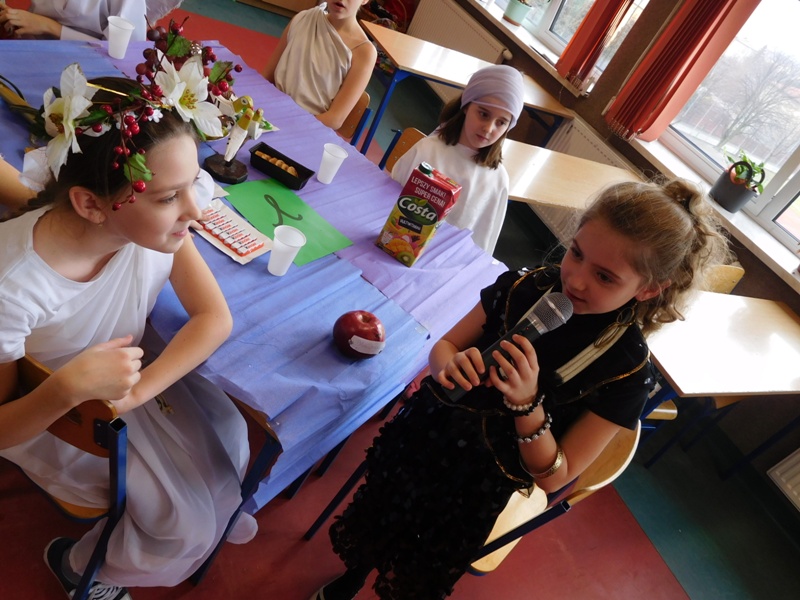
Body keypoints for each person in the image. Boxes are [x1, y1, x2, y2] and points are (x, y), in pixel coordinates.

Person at [311, 178, 731, 600]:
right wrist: (450, 364)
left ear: (649, 289)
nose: (576, 281)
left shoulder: (626, 373)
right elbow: (445, 347)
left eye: (604, 277)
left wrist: (527, 406)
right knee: (380, 512)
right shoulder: (524, 287)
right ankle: (352, 575)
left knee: (419, 557)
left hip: (476, 484)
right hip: (426, 433)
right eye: (576, 253)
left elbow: (554, 478)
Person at [0, 62, 253, 600]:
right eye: (168, 197)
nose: (197, 212)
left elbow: (214, 318)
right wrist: (67, 389)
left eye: (192, 185)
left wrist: (132, 395)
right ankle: (79, 566)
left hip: (118, 390)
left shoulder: (145, 229)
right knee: (183, 521)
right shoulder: (12, 289)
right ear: (90, 203)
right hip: (61, 416)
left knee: (231, 440)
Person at [390, 64, 525, 255]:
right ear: (467, 106)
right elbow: (387, 200)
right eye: (483, 114)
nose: (488, 128)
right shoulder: (428, 149)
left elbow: (483, 244)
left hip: (447, 260)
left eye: (501, 122)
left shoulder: (498, 180)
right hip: (398, 245)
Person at [263, 0, 377, 131]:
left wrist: (288, 125)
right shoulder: (302, 19)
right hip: (269, 111)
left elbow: (334, 119)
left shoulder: (364, 52)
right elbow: (266, 77)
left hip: (306, 128)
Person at [0, 0, 183, 41]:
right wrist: (11, 17)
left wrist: (50, 27)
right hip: (28, 47)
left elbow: (122, 54)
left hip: (85, 73)